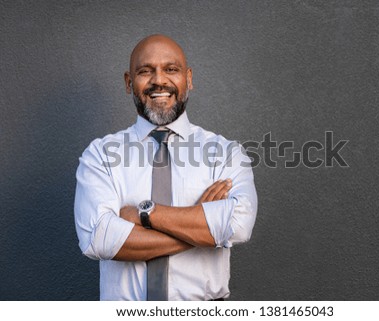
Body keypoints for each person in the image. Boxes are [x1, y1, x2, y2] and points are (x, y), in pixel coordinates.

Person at [74, 34, 257, 301]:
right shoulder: (100, 154)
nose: (159, 80)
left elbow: (238, 224)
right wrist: (200, 228)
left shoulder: (226, 153)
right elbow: (98, 239)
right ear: (128, 82)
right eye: (145, 71)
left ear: (189, 79)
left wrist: (145, 215)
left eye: (171, 69)